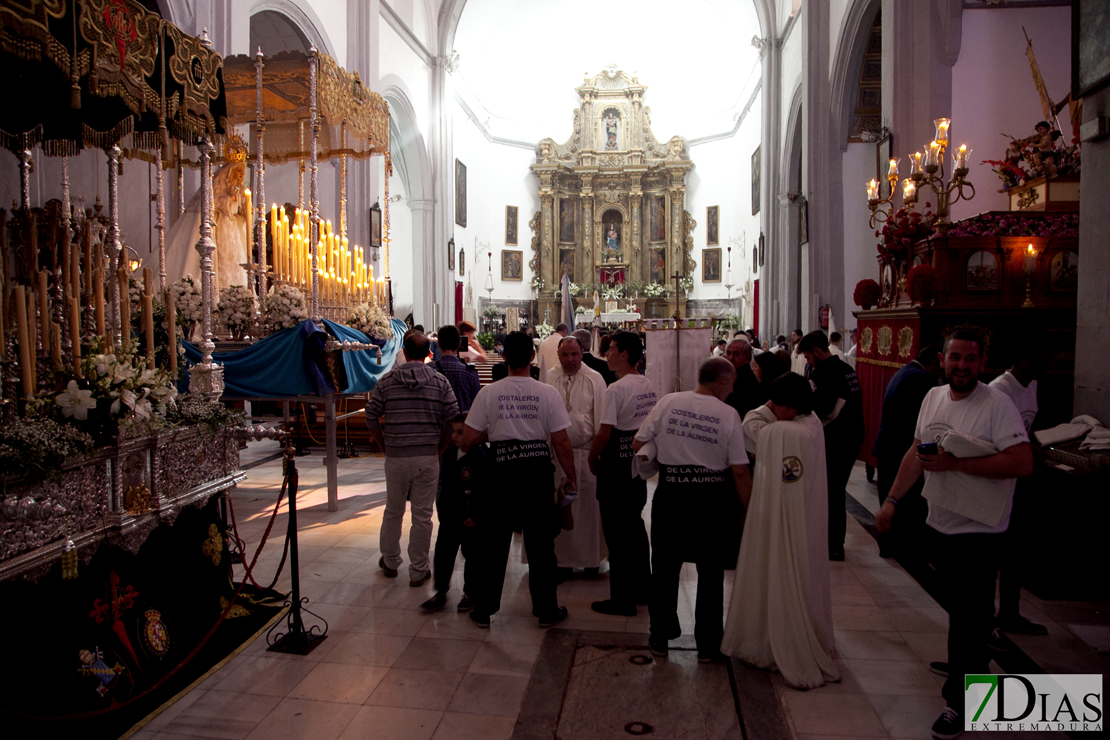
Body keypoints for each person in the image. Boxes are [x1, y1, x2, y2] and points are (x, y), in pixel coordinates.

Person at [875, 328, 1032, 740]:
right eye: (955, 357)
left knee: (968, 614)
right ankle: (968, 656)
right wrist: (892, 500)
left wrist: (956, 465)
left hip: (980, 530)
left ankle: (961, 703)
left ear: (982, 363)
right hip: (940, 521)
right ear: (942, 359)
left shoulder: (997, 406)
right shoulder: (932, 397)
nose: (962, 365)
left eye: (971, 358)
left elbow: (1021, 463)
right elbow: (916, 451)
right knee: (963, 612)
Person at [722, 374, 839, 689]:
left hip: (785, 516)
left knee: (783, 570)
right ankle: (984, 716)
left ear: (793, 406)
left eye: (776, 402)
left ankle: (985, 717)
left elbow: (750, 425)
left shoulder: (784, 433)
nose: (770, 406)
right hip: (804, 513)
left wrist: (765, 413)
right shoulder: (811, 421)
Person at [633, 357, 752, 662]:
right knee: (710, 572)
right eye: (732, 383)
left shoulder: (668, 402)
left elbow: (637, 443)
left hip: (672, 494)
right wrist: (749, 510)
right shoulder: (728, 414)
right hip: (712, 499)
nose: (733, 389)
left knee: (664, 568)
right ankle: (709, 646)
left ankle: (659, 636)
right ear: (722, 381)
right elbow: (739, 471)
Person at [461, 331, 578, 629]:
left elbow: (469, 438)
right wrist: (571, 475)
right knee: (541, 546)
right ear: (532, 357)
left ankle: (484, 610)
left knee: (494, 543)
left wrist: (498, 431)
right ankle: (546, 610)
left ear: (503, 357)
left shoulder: (489, 392)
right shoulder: (546, 392)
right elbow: (561, 442)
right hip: (537, 472)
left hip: (501, 471)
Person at [365, 331, 459, 585]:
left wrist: (383, 443)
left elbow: (371, 415)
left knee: (393, 510)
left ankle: (391, 561)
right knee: (423, 515)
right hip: (427, 456)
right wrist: (441, 446)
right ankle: (419, 569)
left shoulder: (387, 382)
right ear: (430, 353)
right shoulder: (440, 382)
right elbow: (454, 418)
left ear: (405, 353)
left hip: (396, 456)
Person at [587, 332, 657, 616]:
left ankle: (622, 600)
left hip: (616, 464)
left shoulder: (616, 388)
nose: (607, 353)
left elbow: (605, 432)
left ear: (625, 354)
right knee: (635, 527)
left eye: (612, 348)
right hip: (636, 464)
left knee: (616, 534)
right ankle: (644, 589)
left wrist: (593, 456)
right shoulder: (647, 383)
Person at [988, 346, 1048, 637]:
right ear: (1024, 358)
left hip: (1021, 476)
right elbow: (1002, 439)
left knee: (1016, 551)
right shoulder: (1000, 389)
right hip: (1002, 479)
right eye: (1041, 358)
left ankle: (1010, 612)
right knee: (998, 551)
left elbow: (1026, 428)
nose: (1047, 365)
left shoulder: (1031, 384)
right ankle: (987, 617)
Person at [871, 344, 942, 558]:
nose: (940, 374)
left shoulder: (905, 371)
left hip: (889, 445)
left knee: (890, 494)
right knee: (903, 501)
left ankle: (889, 543)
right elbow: (918, 422)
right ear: (933, 363)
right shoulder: (919, 379)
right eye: (939, 368)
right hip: (899, 448)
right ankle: (894, 544)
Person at [799, 330, 863, 561]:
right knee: (834, 490)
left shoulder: (826, 372)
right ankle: (832, 541)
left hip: (837, 439)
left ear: (817, 351)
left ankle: (834, 544)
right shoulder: (846, 369)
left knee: (832, 491)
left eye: (807, 357)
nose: (808, 361)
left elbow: (823, 407)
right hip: (851, 437)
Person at [548, 335, 608, 572]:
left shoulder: (595, 379)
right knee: (562, 507)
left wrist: (597, 454)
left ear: (582, 353)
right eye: (564, 355)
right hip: (556, 456)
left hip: (586, 455)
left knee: (587, 513)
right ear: (558, 355)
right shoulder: (549, 377)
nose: (570, 359)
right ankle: (562, 562)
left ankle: (590, 561)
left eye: (574, 354)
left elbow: (602, 418)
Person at [421, 414, 486, 614]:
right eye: (454, 432)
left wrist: (477, 515)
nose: (456, 436)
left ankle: (471, 593)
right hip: (450, 515)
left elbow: (484, 491)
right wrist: (440, 506)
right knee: (443, 554)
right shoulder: (449, 455)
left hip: (469, 518)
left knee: (473, 556)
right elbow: (443, 484)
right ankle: (441, 591)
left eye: (461, 432)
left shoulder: (480, 457)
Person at [434, 324, 480, 412]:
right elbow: (476, 404)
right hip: (461, 423)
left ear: (438, 344)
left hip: (437, 424)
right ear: (459, 344)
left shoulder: (428, 369)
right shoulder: (470, 373)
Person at [724, 338, 763, 421]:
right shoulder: (729, 373)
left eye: (736, 354)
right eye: (728, 353)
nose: (731, 358)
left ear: (747, 357)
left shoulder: (746, 379)